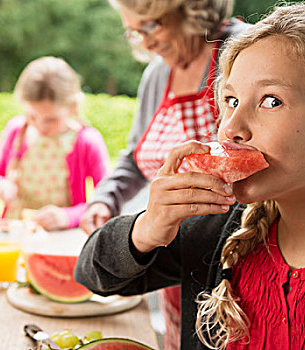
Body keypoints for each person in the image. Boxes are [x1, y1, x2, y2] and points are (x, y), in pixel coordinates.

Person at [74, 2, 305, 349]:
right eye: (231, 101)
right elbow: (92, 272)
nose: (230, 129)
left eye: (270, 101)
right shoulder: (216, 230)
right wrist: (146, 228)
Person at [80, 1, 250, 348]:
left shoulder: (243, 50)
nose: (145, 42)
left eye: (152, 26)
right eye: (133, 31)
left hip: (237, 251)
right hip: (175, 253)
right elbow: (136, 154)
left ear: (192, 11)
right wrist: (105, 197)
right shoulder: (158, 74)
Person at [0, 56, 110, 231]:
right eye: (32, 116)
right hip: (16, 230)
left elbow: (106, 200)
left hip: (62, 236)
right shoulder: (16, 130)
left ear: (73, 107)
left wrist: (68, 216)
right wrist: (1, 187)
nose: (41, 126)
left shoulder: (87, 141)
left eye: (51, 120)